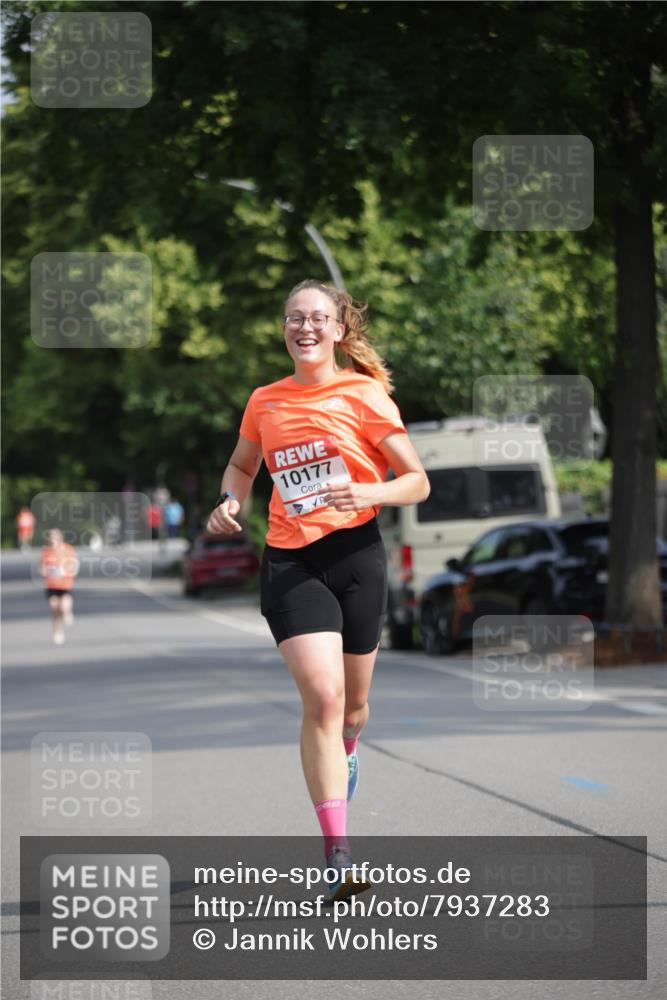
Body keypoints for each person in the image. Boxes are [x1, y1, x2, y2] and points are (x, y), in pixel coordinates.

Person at [206, 279, 430, 901]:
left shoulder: (365, 395)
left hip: (357, 555)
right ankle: (338, 851)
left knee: (353, 710)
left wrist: (372, 492)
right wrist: (230, 500)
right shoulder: (265, 400)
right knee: (325, 699)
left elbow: (417, 481)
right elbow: (243, 465)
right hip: (290, 561)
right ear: (284, 329)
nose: (304, 327)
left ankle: (349, 747)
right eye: (294, 318)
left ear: (337, 330)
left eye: (317, 318)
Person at [39, 529, 79, 644]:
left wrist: (64, 570)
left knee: (65, 605)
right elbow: (41, 567)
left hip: (65, 584)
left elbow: (74, 565)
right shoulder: (46, 552)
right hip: (52, 585)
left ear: (60, 537)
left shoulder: (68, 550)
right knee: (55, 609)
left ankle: (67, 613)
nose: (53, 539)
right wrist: (46, 571)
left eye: (55, 537)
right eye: (51, 537)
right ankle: (58, 631)